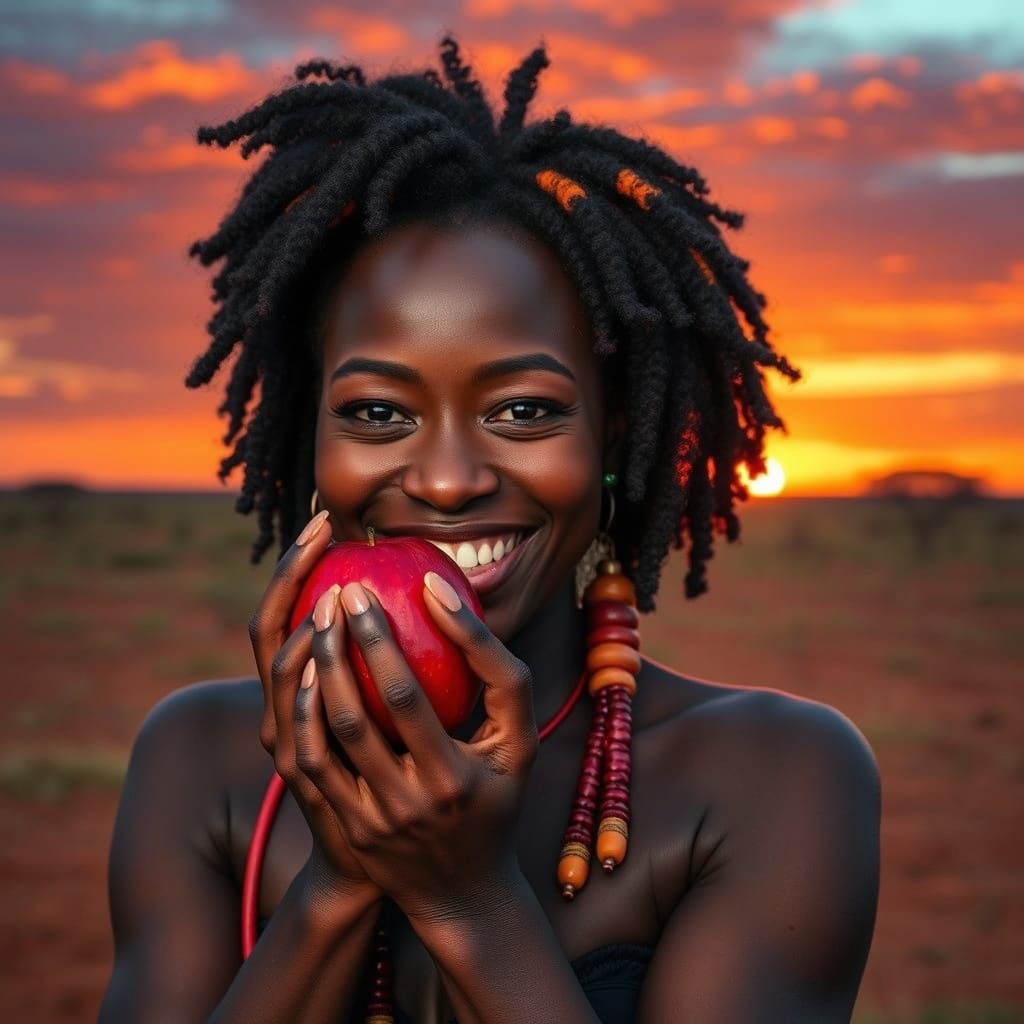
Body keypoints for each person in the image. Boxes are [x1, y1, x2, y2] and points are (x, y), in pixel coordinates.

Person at [99, 36, 880, 1024]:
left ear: (616, 432)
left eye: (523, 411)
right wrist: (338, 883)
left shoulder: (775, 775)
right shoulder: (198, 760)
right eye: (378, 414)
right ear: (314, 438)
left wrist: (467, 896)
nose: (447, 478)